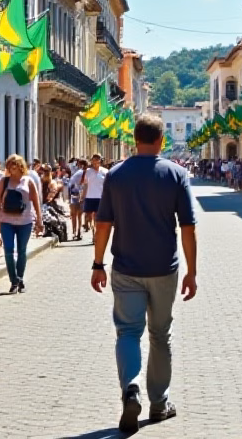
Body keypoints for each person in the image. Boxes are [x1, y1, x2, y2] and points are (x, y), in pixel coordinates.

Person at [92, 115, 199, 436]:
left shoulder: (116, 175)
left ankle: (131, 387)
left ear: (135, 139)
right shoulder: (176, 174)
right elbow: (188, 227)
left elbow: (103, 225)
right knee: (160, 335)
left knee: (127, 333)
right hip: (164, 269)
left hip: (125, 267)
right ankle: (158, 402)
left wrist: (98, 263)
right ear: (161, 140)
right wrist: (192, 272)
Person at [0, 153, 43, 293]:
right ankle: (13, 281)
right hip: (6, 221)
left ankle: (20, 278)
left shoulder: (28, 181)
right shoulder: (4, 181)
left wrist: (39, 220)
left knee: (22, 252)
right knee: (8, 251)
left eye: (15, 165)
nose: (12, 168)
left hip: (25, 221)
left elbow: (36, 201)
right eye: (10, 165)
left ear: (21, 166)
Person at [81, 153, 110, 239]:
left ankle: (95, 234)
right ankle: (93, 230)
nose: (95, 161)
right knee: (90, 218)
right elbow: (85, 185)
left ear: (100, 161)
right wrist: (82, 196)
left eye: (97, 159)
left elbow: (107, 185)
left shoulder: (105, 171)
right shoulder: (88, 171)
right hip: (90, 197)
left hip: (100, 197)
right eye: (93, 159)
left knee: (97, 217)